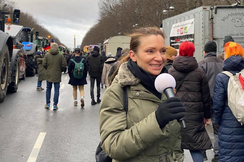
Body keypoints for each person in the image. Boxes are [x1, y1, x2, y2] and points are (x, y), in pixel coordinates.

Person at [99, 26, 185, 162]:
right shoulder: (117, 92)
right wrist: (156, 120)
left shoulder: (166, 87)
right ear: (133, 55)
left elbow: (174, 145)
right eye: (150, 51)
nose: (159, 58)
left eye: (162, 51)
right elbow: (113, 146)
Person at [168, 41, 212, 162]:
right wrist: (207, 116)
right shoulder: (199, 71)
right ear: (192, 52)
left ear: (180, 52)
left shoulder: (171, 71)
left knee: (176, 147)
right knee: (195, 146)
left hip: (176, 114)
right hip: (195, 115)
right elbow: (206, 97)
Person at [212, 42, 244, 162]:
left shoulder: (222, 77)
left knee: (229, 156)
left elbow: (218, 104)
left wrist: (218, 122)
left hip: (228, 124)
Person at [198, 41, 223, 162]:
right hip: (221, 99)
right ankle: (217, 153)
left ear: (204, 51)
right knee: (218, 127)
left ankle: (203, 153)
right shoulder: (223, 63)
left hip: (205, 100)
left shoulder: (201, 64)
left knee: (202, 126)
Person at [43, 43, 67, 110]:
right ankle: (55, 105)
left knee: (48, 89)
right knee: (56, 90)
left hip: (49, 74)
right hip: (57, 74)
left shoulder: (47, 55)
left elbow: (44, 64)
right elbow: (64, 65)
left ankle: (47, 103)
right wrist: (60, 70)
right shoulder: (60, 55)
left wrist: (48, 69)